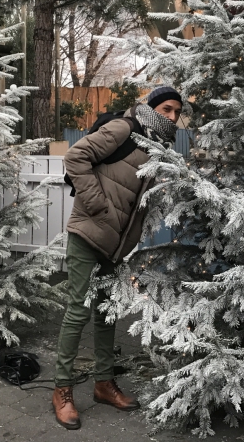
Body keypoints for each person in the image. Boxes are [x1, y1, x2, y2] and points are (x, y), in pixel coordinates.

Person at [52, 86, 183, 430]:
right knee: (78, 309)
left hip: (116, 245)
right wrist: (98, 207)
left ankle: (103, 383)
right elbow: (75, 157)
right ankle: (62, 390)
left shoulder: (157, 147)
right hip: (87, 233)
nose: (171, 117)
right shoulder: (125, 129)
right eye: (166, 109)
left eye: (176, 113)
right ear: (152, 107)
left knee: (108, 313)